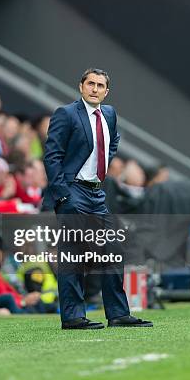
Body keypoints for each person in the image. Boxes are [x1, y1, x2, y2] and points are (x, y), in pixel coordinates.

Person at [43, 68, 152, 329]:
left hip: (96, 192)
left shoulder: (110, 114)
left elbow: (112, 143)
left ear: (106, 91)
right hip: (73, 191)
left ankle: (117, 314)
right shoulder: (66, 114)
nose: (94, 88)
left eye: (100, 85)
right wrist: (63, 195)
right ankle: (72, 317)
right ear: (81, 86)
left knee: (113, 249)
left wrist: (100, 171)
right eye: (90, 83)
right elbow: (52, 155)